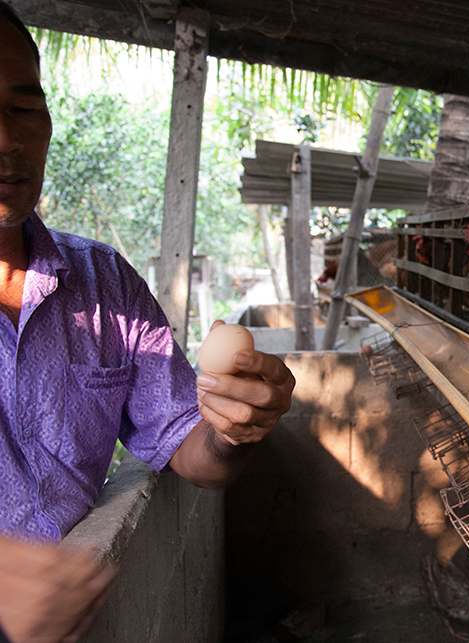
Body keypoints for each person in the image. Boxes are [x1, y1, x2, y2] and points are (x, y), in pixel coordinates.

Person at [0, 3, 297, 641]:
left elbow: (191, 452)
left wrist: (234, 426)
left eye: (23, 108)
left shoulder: (105, 282)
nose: (6, 138)